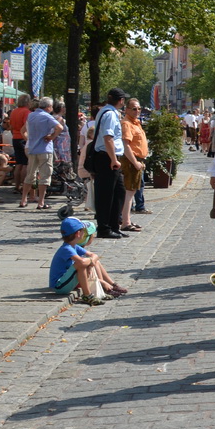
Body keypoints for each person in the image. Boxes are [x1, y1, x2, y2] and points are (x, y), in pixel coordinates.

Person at [49, 216, 127, 303]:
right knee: (81, 264)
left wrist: (91, 262)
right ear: (78, 234)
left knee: (92, 261)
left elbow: (94, 255)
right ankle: (87, 295)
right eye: (83, 231)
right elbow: (81, 262)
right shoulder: (66, 248)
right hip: (59, 286)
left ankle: (101, 289)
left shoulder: (74, 246)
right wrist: (90, 262)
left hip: (67, 281)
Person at [85, 89, 128, 238]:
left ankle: (114, 225)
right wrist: (114, 159)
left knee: (118, 192)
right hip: (107, 157)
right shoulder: (109, 114)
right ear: (121, 100)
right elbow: (108, 137)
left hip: (108, 156)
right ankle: (104, 228)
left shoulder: (107, 112)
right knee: (106, 194)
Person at [22, 97, 65, 210]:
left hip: (32, 148)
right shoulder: (47, 116)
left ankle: (23, 199)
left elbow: (24, 130)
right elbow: (60, 127)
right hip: (44, 149)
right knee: (44, 176)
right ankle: (41, 202)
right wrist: (51, 137)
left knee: (30, 174)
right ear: (48, 107)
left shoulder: (31, 115)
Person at [119, 98, 149, 230]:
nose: (137, 111)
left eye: (139, 108)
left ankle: (127, 220)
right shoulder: (126, 124)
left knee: (131, 191)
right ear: (127, 110)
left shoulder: (136, 123)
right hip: (131, 160)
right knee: (129, 192)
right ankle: (125, 222)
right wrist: (135, 162)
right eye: (134, 109)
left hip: (137, 159)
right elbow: (126, 146)